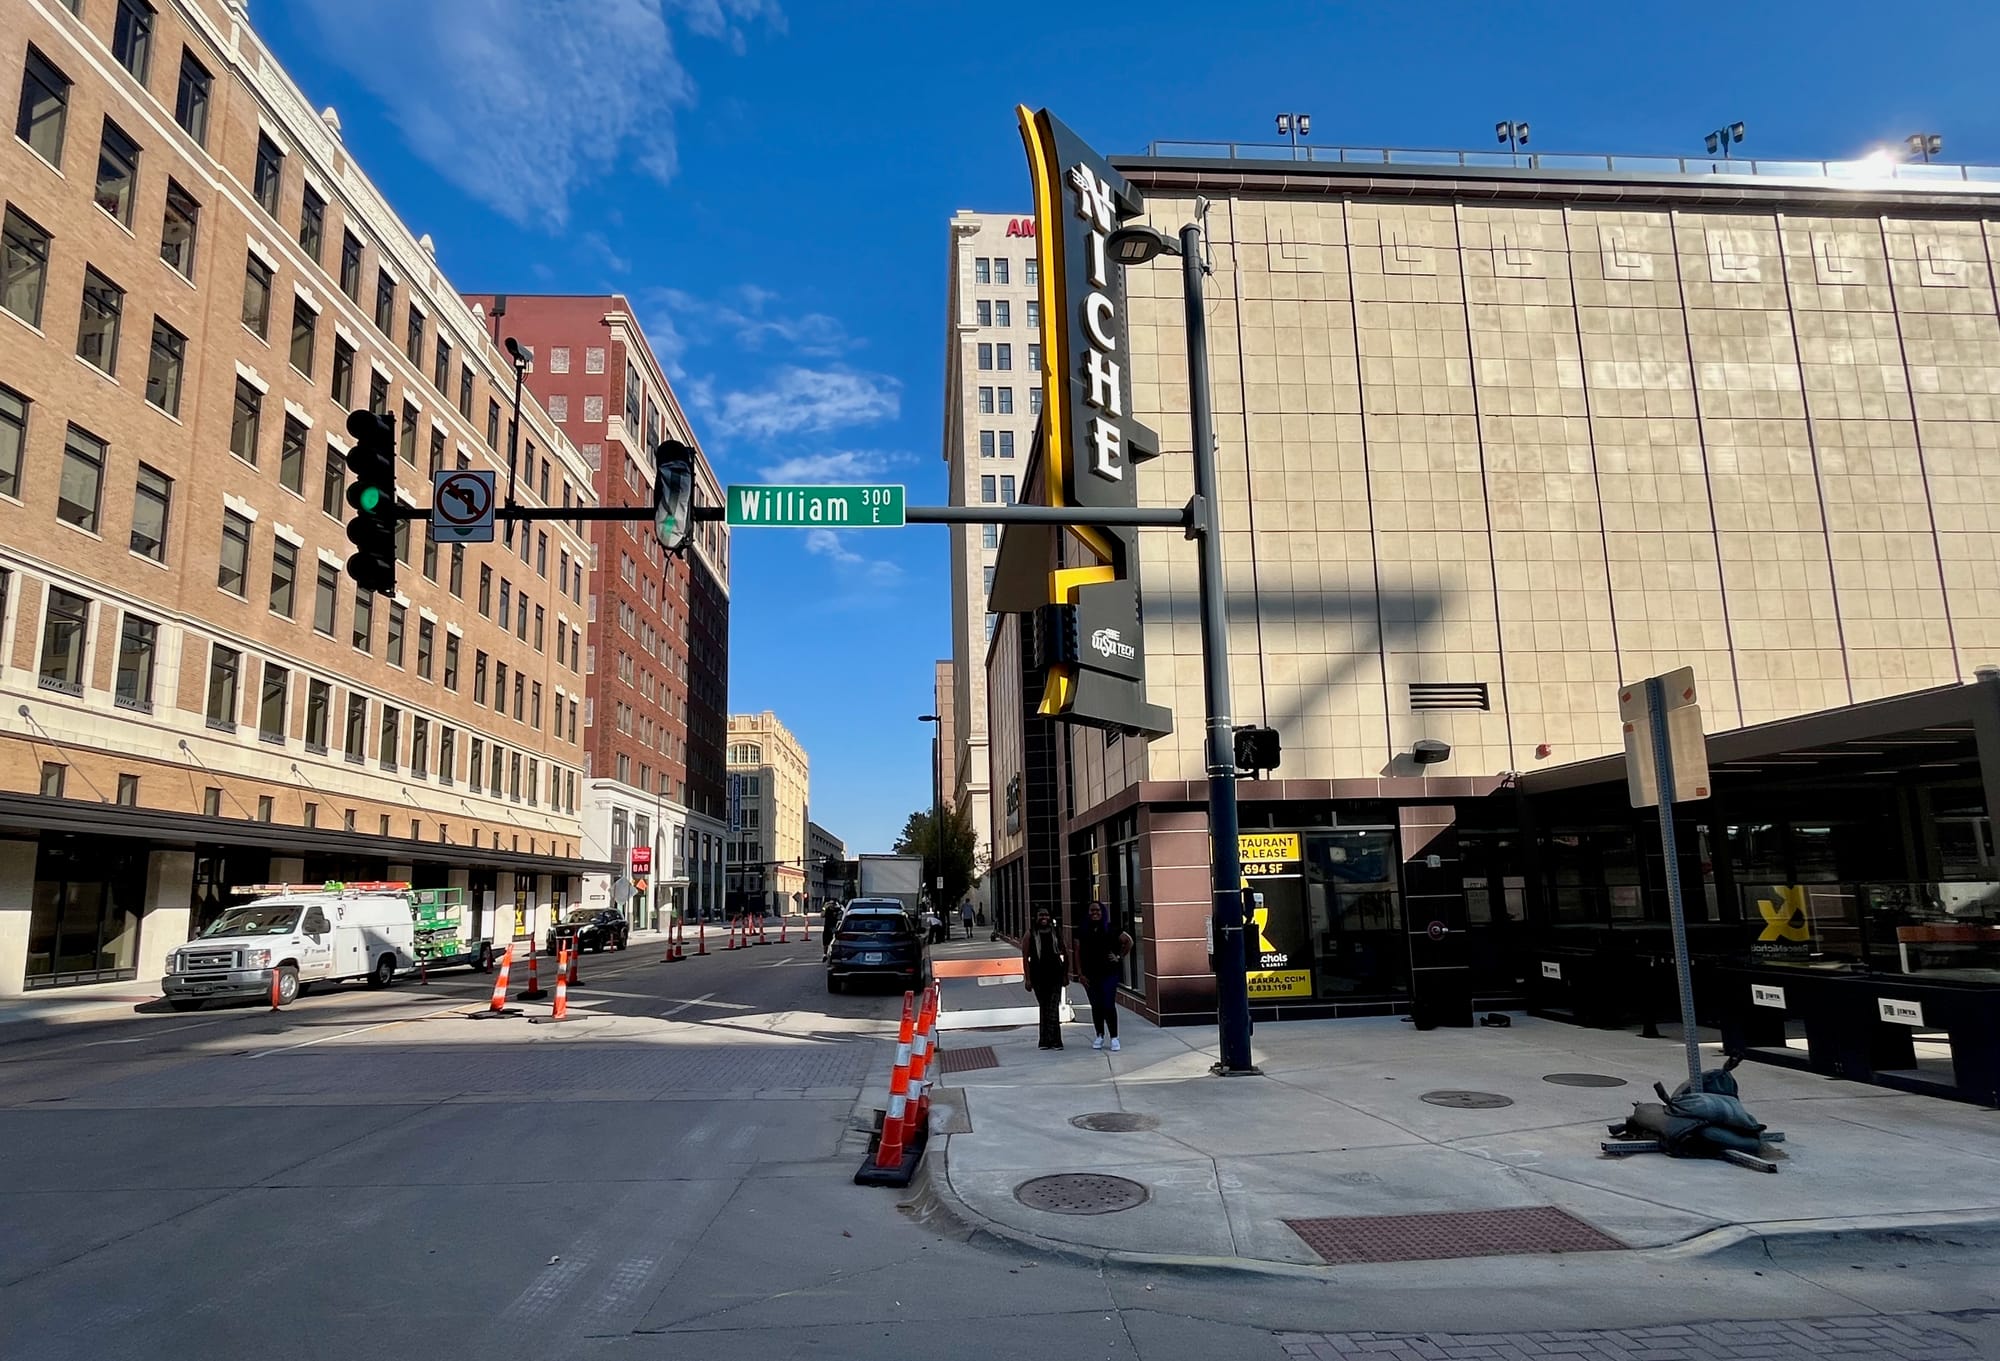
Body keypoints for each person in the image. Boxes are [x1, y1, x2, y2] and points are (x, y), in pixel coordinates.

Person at [1074, 901, 1134, 1052]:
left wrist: (1119, 956)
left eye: (1098, 910)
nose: (1095, 913)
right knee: (1096, 1006)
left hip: (1109, 974)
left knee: (1108, 1004)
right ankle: (1099, 1035)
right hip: (1089, 975)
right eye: (1092, 910)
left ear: (1103, 912)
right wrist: (1080, 974)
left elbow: (1128, 941)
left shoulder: (1111, 929)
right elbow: (1077, 952)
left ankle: (1114, 1037)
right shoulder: (1082, 930)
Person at [1022, 907, 1068, 1049]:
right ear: (1036, 917)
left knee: (1053, 1007)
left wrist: (1065, 974)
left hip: (1055, 974)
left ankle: (1055, 1041)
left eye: (1046, 915)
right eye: (1041, 915)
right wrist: (1027, 979)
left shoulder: (1056, 932)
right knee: (1044, 1007)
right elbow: (1025, 957)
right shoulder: (1030, 934)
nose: (1044, 917)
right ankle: (1045, 1041)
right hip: (1038, 976)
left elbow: (1065, 952)